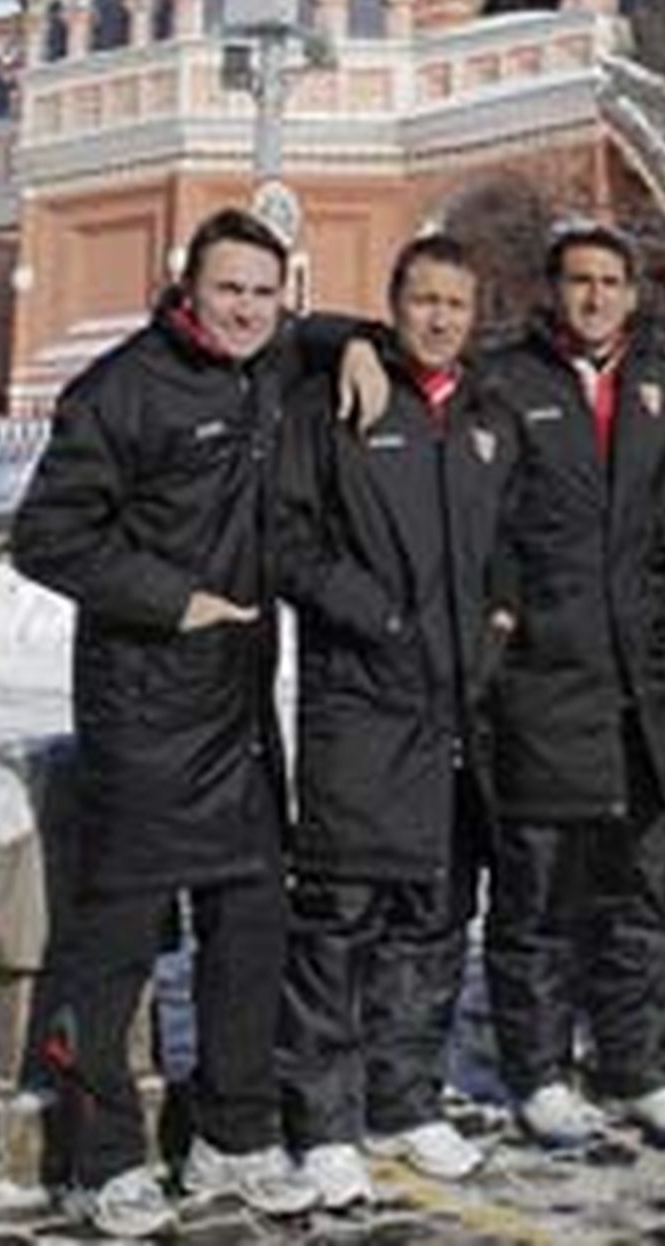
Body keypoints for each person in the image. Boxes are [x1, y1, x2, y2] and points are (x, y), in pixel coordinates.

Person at [10, 207, 353, 1240]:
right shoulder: (121, 388)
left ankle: (233, 1141)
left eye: (265, 290)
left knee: (249, 934)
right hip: (145, 709)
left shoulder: (274, 361)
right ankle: (100, 1157)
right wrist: (171, 600)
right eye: (229, 289)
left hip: (241, 712)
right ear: (187, 288)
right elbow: (45, 536)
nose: (248, 307)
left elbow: (331, 330)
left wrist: (360, 351)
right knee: (114, 950)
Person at [274, 235, 517, 1209]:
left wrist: (502, 614)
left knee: (434, 918)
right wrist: (372, 615)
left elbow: (513, 538)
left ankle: (405, 1098)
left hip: (462, 711)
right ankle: (323, 1120)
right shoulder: (337, 399)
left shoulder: (488, 415)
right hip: (362, 704)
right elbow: (287, 541)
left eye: (455, 304)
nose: (439, 319)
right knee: (340, 918)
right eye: (422, 301)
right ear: (393, 305)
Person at [479, 223, 665, 1150]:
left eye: (613, 282)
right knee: (537, 897)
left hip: (641, 690)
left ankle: (640, 1065)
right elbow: (480, 525)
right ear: (553, 288)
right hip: (544, 684)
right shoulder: (507, 383)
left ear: (633, 294)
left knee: (646, 890)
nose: (597, 296)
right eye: (581, 280)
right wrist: (504, 629)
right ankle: (538, 1072)